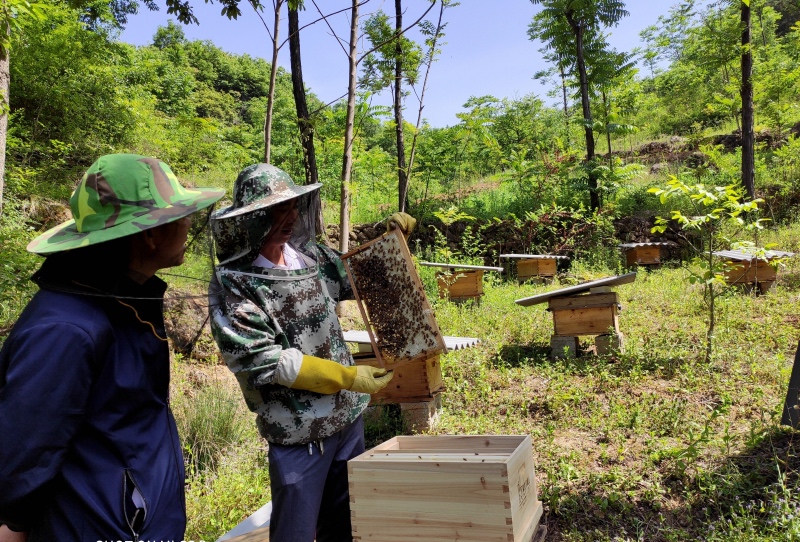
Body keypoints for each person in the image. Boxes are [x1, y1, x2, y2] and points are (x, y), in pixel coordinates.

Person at [0, 154, 224, 542]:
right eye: (180, 213)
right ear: (150, 234)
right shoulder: (66, 329)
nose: (189, 222)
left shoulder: (123, 302)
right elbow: (22, 458)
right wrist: (17, 523)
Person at [208, 163, 415, 542]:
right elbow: (265, 361)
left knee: (344, 524)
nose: (289, 217)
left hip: (348, 417)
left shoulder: (310, 256)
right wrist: (348, 376)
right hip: (299, 431)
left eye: (292, 207)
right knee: (296, 533)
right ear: (252, 218)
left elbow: (361, 278)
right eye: (275, 210)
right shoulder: (234, 282)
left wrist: (389, 239)